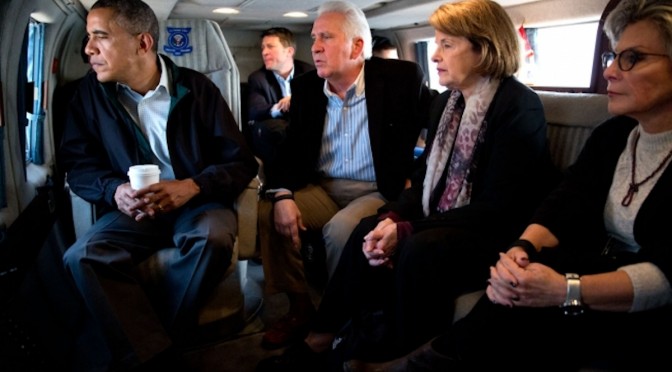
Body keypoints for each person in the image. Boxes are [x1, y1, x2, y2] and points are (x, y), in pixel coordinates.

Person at [346, 0, 672, 370]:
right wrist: (523, 247)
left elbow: (665, 276)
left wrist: (567, 289)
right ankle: (363, 340)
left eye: (631, 58)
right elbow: (565, 202)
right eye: (611, 57)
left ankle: (411, 361)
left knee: (437, 255)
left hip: (635, 286)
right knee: (510, 273)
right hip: (594, 257)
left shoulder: (517, 105)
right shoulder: (615, 134)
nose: (611, 71)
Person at [256, 0, 558, 370]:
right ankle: (322, 336)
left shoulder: (517, 106)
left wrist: (408, 226)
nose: (434, 56)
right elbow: (425, 179)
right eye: (435, 43)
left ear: (483, 49)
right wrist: (395, 214)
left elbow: (499, 205)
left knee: (416, 245)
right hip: (447, 218)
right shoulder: (448, 103)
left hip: (494, 231)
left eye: (447, 45)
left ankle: (390, 348)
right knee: (370, 228)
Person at [58, 0, 258, 370]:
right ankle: (158, 354)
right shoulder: (88, 95)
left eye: (100, 37)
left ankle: (147, 345)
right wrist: (114, 191)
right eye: (88, 38)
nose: (88, 49)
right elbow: (79, 167)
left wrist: (193, 185)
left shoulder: (197, 90)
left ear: (143, 43)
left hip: (197, 202)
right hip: (133, 209)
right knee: (81, 256)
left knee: (212, 239)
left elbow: (241, 162)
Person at [257, 0, 431, 350]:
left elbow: (440, 131)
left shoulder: (400, 79)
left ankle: (343, 321)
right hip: (321, 186)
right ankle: (301, 309)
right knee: (267, 213)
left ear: (357, 47)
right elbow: (289, 153)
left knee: (340, 231)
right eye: (313, 38)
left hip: (376, 188)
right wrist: (283, 195)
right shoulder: (306, 89)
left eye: (326, 37)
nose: (316, 47)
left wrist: (416, 175)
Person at [247, 27, 314, 171]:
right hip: (277, 132)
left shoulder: (309, 73)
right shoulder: (258, 78)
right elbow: (254, 110)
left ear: (289, 51)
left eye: (270, 47)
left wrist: (295, 99)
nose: (264, 52)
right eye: (263, 48)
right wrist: (279, 106)